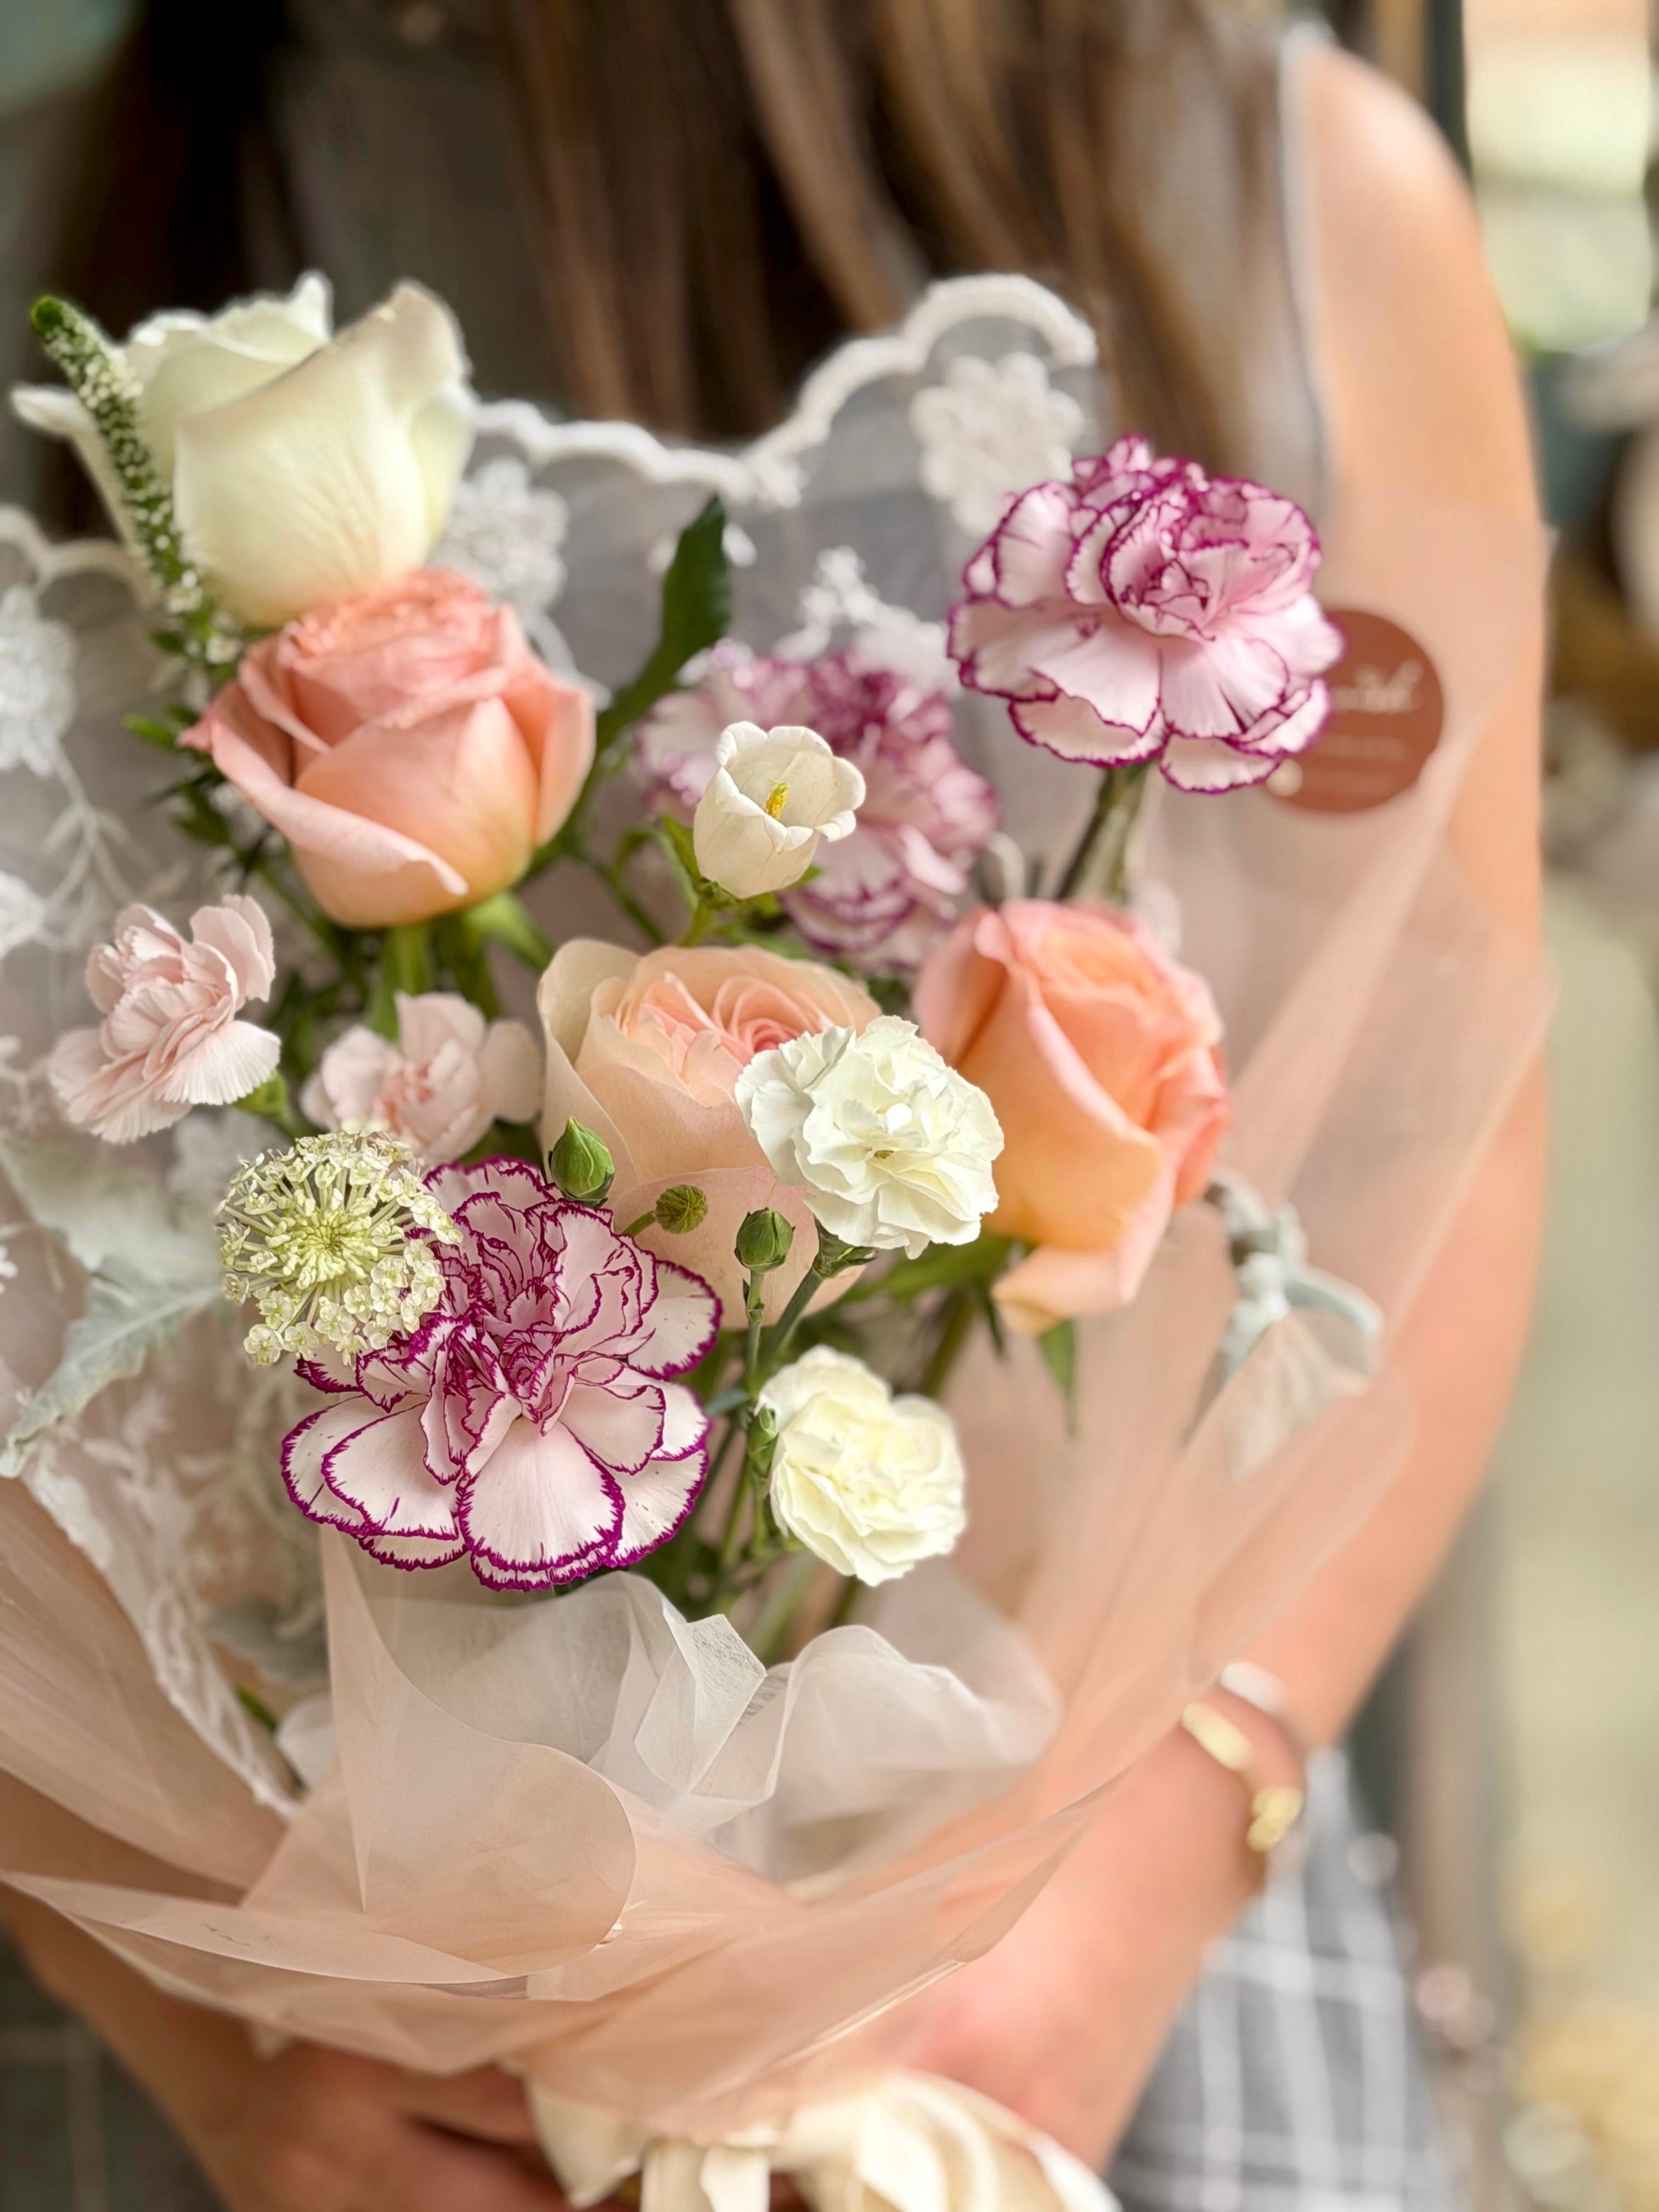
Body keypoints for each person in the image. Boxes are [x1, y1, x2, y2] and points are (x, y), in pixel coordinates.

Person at [0, 2, 1544, 2209]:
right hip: (248, 2038)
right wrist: (199, 2017)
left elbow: (1438, 1131)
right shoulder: (58, 207)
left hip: (1068, 1993)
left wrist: (1124, 1915)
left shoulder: (1279, 194)